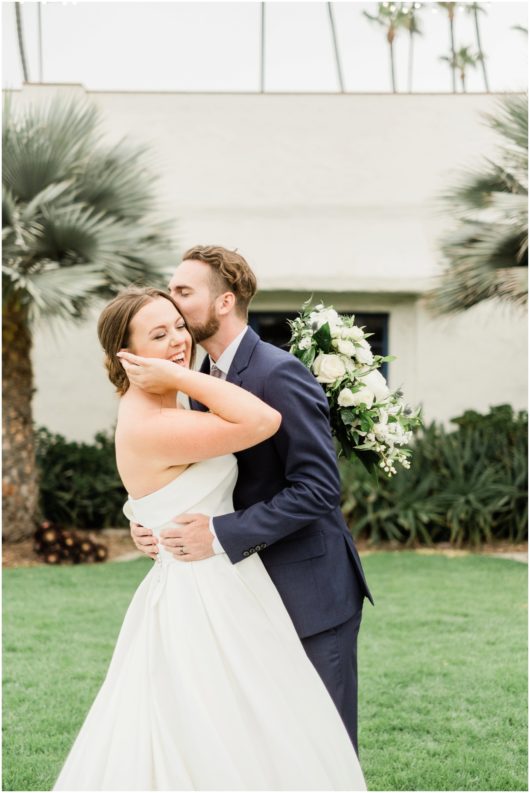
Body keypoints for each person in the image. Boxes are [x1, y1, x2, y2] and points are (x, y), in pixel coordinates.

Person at [53, 285, 366, 791]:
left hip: (228, 579)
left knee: (257, 725)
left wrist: (142, 511)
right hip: (202, 595)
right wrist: (180, 374)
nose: (178, 339)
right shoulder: (160, 415)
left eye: (179, 324)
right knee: (224, 727)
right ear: (127, 355)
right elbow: (263, 422)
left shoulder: (178, 401)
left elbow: (175, 482)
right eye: (160, 334)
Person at [129, 246, 373, 754]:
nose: (172, 304)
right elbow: (197, 472)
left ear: (224, 303)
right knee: (268, 748)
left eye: (183, 292)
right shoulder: (199, 382)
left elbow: (319, 487)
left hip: (310, 590)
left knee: (323, 747)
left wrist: (217, 534)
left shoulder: (276, 372)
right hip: (244, 594)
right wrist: (147, 518)